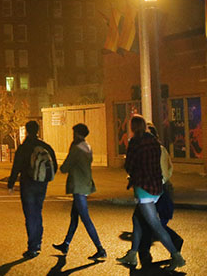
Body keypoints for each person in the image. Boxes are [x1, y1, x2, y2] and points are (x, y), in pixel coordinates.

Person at [117, 116, 185, 271]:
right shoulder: (154, 141)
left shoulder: (135, 142)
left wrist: (128, 165)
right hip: (156, 187)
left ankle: (176, 256)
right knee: (136, 218)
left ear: (133, 127)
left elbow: (129, 166)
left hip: (143, 188)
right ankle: (133, 253)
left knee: (155, 226)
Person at [52, 124, 106, 260]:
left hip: (78, 186)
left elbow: (65, 167)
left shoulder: (76, 149)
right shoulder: (88, 147)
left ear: (77, 133)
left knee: (85, 218)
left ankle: (100, 248)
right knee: (74, 217)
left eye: (74, 132)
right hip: (86, 184)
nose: (73, 135)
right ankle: (66, 244)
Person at [8, 121, 57, 259]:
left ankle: (32, 246)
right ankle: (38, 242)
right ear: (38, 130)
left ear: (27, 131)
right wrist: (46, 178)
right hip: (41, 184)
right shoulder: (45, 146)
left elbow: (16, 166)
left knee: (30, 214)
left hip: (27, 183)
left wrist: (11, 184)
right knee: (38, 211)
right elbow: (54, 164)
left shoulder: (24, 147)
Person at [137, 125, 184, 267]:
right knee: (145, 222)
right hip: (151, 189)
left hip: (156, 191)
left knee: (150, 223)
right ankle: (144, 254)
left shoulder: (158, 150)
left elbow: (165, 169)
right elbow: (169, 168)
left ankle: (174, 243)